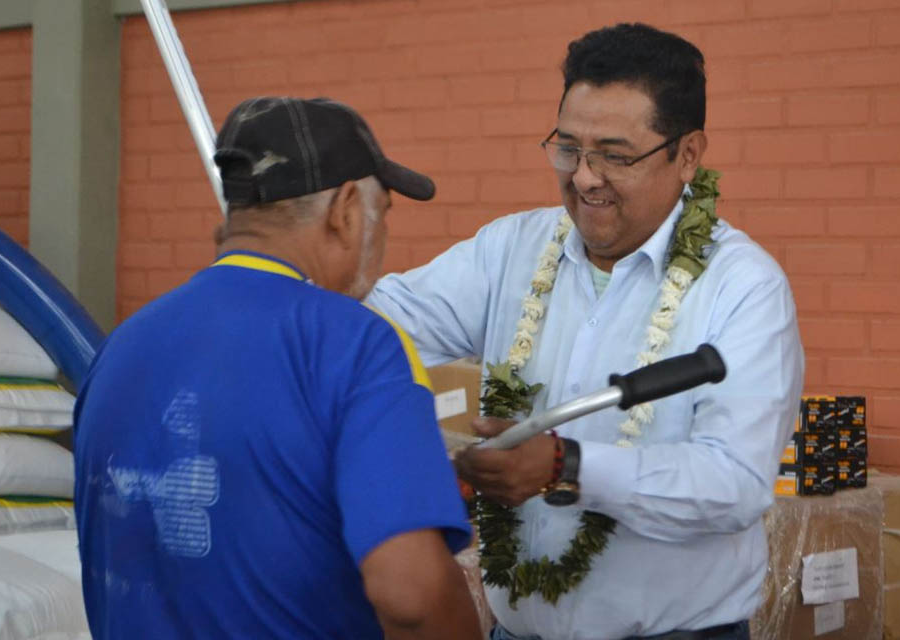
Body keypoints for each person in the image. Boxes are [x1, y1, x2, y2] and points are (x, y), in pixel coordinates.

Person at [365, 23, 805, 640]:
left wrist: (566, 466)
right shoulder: (510, 250)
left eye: (615, 155)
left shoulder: (743, 287)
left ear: (688, 154)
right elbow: (382, 327)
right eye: (568, 148)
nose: (585, 177)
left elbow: (735, 483)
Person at [74, 97, 482, 640]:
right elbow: (412, 596)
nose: (381, 234)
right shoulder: (356, 344)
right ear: (345, 211)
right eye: (383, 211)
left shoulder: (118, 348)